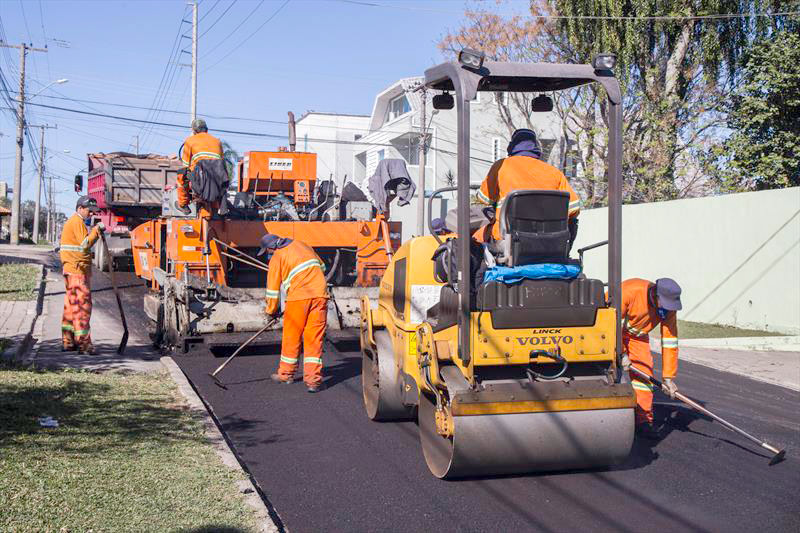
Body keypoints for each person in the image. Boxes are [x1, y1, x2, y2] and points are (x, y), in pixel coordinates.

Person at [475, 128, 581, 244]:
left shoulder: (501, 166)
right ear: (536, 147)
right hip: (548, 242)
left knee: (475, 238)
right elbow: (574, 208)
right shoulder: (554, 172)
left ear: (512, 145)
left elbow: (484, 198)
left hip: (506, 239)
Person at [259, 233, 329, 393]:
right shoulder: (303, 244)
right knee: (314, 338)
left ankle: (286, 375)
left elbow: (272, 290)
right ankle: (313, 381)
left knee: (292, 336)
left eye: (268, 251)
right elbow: (322, 267)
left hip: (298, 298)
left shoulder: (277, 257)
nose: (268, 254)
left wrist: (271, 310)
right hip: (320, 295)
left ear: (272, 247)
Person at [621, 277, 682, 439]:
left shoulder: (669, 308)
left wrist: (668, 377)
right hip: (611, 334)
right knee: (609, 371)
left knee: (644, 376)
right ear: (655, 294)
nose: (668, 309)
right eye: (666, 304)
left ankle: (643, 421)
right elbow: (608, 323)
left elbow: (669, 342)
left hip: (637, 338)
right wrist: (621, 353)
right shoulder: (630, 291)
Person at [59, 196, 105, 354]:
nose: (91, 214)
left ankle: (68, 341)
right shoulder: (77, 222)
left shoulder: (74, 222)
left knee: (71, 307)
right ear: (79, 209)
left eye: (92, 212)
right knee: (82, 307)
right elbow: (84, 245)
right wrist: (96, 232)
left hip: (71, 269)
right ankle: (84, 344)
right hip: (77, 271)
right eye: (88, 211)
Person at [176, 118, 225, 214]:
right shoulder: (217, 141)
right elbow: (221, 163)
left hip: (200, 179)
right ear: (206, 129)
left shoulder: (190, 140)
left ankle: (183, 204)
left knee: (181, 174)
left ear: (194, 131)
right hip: (218, 179)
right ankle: (219, 206)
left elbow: (185, 165)